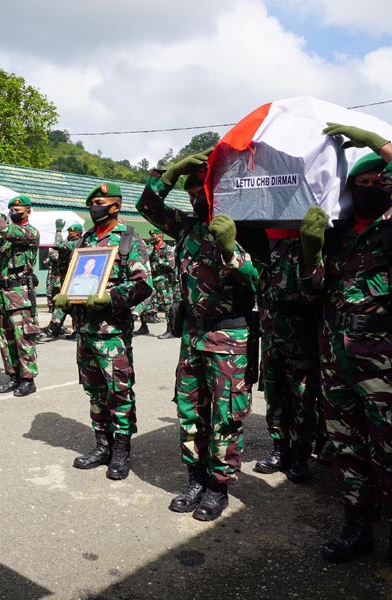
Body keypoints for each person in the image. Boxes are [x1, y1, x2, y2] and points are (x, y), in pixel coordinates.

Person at [298, 123, 392, 569]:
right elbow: (312, 294)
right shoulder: (337, 232)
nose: (369, 187)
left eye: (377, 180)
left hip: (384, 360)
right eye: (360, 181)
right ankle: (356, 526)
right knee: (346, 446)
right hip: (335, 360)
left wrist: (378, 144)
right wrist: (310, 255)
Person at [137, 151, 259, 521]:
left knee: (225, 415)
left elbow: (261, 281)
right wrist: (170, 173)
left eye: (201, 192)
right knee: (190, 411)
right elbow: (147, 206)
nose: (195, 199)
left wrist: (231, 250)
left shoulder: (246, 226)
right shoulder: (186, 227)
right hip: (193, 334)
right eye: (190, 194)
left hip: (229, 335)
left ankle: (218, 488)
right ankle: (195, 479)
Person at [55, 182, 152, 480]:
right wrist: (65, 298)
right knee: (94, 391)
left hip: (112, 333)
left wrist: (110, 297)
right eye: (92, 203)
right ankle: (102, 446)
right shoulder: (84, 240)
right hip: (85, 330)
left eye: (99, 202)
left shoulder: (128, 240)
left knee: (118, 391)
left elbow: (142, 284)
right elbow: (74, 278)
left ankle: (121, 450)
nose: (94, 207)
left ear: (115, 205)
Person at [253, 228, 320, 483]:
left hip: (299, 336)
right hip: (271, 334)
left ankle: (301, 456)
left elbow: (314, 290)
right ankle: (279, 450)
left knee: (302, 397)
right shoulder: (264, 241)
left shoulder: (304, 240)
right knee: (274, 395)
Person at [0, 190, 40, 397]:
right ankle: (13, 375)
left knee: (23, 338)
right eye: (11, 209)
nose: (13, 211)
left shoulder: (29, 232)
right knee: (5, 339)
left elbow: (4, 229)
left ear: (28, 211)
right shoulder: (5, 240)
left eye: (17, 209)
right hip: (3, 294)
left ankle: (28, 379)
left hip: (20, 295)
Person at [149, 229, 177, 339]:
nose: (152, 237)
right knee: (157, 304)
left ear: (160, 236)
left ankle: (170, 330)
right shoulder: (153, 249)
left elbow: (172, 264)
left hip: (165, 282)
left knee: (167, 305)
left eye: (154, 235)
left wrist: (159, 262)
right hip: (156, 281)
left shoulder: (167, 249)